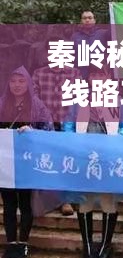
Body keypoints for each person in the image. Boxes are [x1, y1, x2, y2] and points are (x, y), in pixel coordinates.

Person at [62, 65, 123, 258]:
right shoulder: (79, 101)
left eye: (101, 74)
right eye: (93, 74)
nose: (97, 78)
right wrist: (74, 142)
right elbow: (68, 125)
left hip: (109, 158)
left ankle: (105, 246)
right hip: (85, 158)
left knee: (107, 200)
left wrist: (114, 140)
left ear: (108, 77)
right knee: (85, 200)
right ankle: (87, 245)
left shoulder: (119, 102)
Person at [0, 66, 53, 258]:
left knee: (25, 203)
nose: (17, 85)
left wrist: (32, 131)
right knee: (9, 204)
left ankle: (23, 243)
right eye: (13, 81)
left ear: (29, 84)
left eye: (21, 81)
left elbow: (48, 130)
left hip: (27, 162)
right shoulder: (2, 103)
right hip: (5, 162)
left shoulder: (37, 106)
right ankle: (11, 243)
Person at [32, 58, 82, 216]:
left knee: (66, 163)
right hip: (45, 128)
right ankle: (49, 201)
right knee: (47, 164)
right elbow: (33, 99)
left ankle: (66, 200)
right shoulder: (39, 74)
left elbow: (79, 99)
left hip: (67, 126)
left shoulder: (74, 73)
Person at [71, 10, 109, 79]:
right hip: (80, 74)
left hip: (99, 75)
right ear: (81, 21)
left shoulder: (104, 34)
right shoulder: (75, 37)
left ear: (94, 20)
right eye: (84, 18)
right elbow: (71, 56)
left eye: (90, 18)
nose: (87, 20)